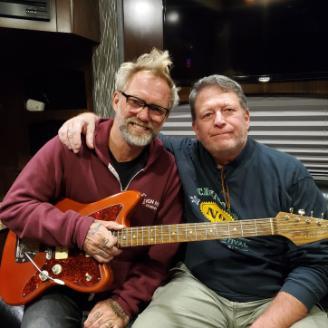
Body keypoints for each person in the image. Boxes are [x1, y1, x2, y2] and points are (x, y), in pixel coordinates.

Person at [58, 74, 328, 328]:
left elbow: (317, 262)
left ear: (247, 117)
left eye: (229, 110)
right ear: (196, 129)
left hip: (273, 297)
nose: (219, 121)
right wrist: (89, 120)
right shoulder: (178, 154)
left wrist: (267, 323)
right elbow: (130, 131)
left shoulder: (290, 174)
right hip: (198, 287)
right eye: (207, 115)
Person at [0, 49, 183, 328]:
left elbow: (160, 258)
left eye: (157, 108)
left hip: (121, 290)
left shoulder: (167, 170)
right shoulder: (71, 145)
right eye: (135, 101)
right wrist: (80, 231)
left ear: (165, 116)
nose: (144, 115)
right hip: (57, 282)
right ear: (116, 99)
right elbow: (14, 206)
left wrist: (123, 304)